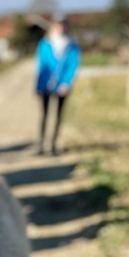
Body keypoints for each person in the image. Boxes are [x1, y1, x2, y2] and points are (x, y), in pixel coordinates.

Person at [34, 14, 81, 156]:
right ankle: (41, 144)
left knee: (58, 115)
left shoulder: (72, 44)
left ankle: (53, 144)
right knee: (45, 114)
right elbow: (40, 64)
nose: (60, 27)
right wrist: (38, 84)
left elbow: (73, 65)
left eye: (63, 25)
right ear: (53, 26)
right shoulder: (45, 43)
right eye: (57, 24)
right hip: (45, 85)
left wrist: (66, 83)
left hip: (62, 86)